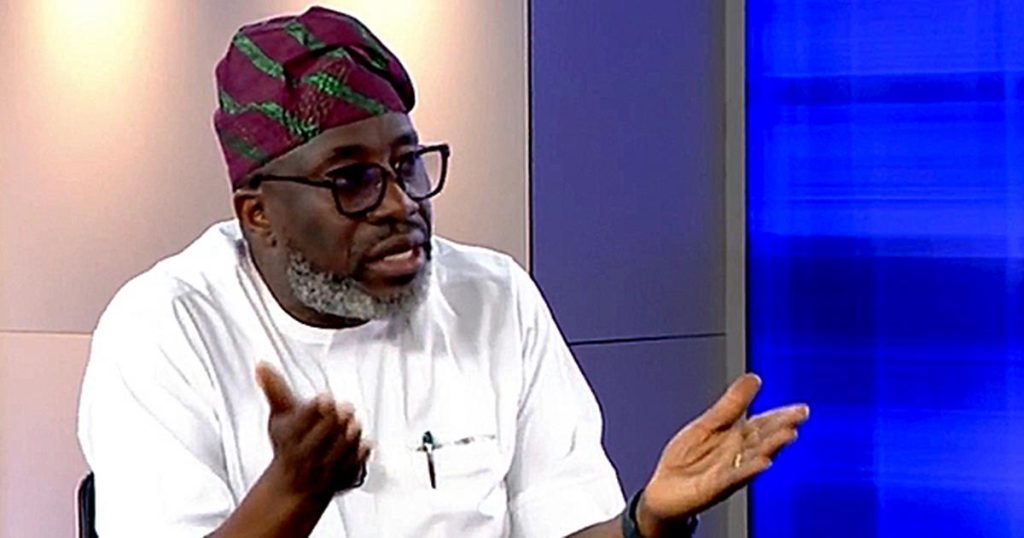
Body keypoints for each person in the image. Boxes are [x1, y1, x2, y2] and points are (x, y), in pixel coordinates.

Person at [77, 6, 809, 537]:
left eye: (407, 165)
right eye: (352, 181)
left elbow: (565, 524)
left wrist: (645, 521)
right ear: (258, 213)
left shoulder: (492, 298)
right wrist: (292, 494)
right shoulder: (162, 329)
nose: (401, 205)